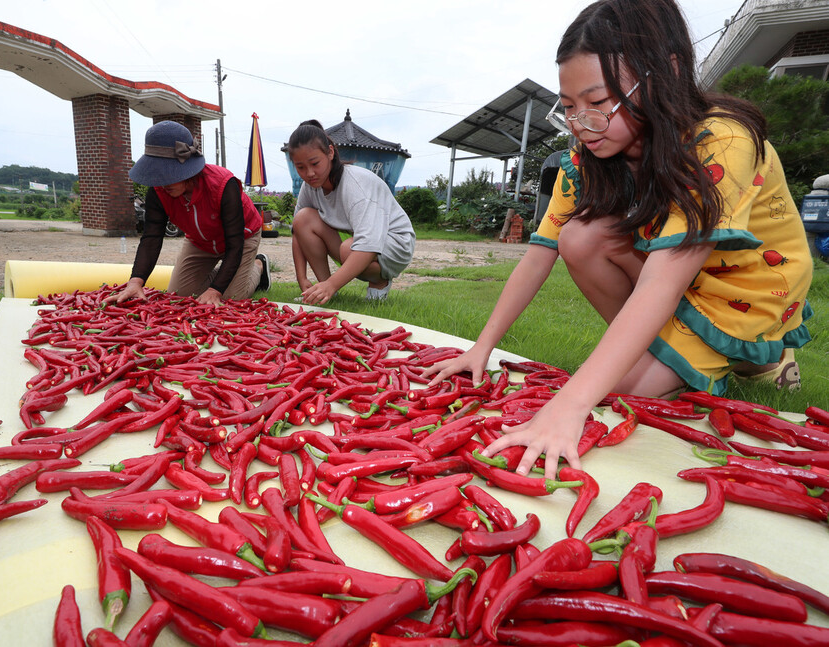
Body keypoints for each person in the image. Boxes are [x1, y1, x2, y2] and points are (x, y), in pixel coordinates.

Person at [423, 0, 813, 480]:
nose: (581, 124)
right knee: (580, 237)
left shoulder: (721, 141)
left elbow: (659, 287)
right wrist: (481, 346)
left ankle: (763, 356)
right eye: (569, 108)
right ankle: (663, 352)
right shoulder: (588, 154)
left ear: (664, 73)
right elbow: (541, 251)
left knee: (622, 394)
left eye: (598, 102)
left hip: (742, 293)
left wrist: (569, 405)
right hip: (672, 277)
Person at [104, 120, 270, 306]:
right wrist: (136, 281)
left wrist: (215, 290)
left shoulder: (224, 185)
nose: (164, 183)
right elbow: (151, 238)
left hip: (242, 237)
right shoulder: (158, 192)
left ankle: (257, 266)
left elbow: (235, 244)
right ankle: (230, 275)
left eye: (169, 174)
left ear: (187, 170)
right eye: (158, 174)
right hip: (200, 241)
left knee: (230, 298)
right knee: (180, 295)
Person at [286, 120, 416, 304]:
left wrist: (333, 284)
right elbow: (297, 231)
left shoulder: (356, 185)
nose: (309, 173)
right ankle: (324, 291)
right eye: (300, 167)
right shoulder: (311, 187)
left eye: (315, 163)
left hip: (396, 242)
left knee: (348, 249)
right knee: (303, 218)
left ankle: (379, 281)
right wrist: (302, 277)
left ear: (330, 152)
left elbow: (368, 245)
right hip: (364, 241)